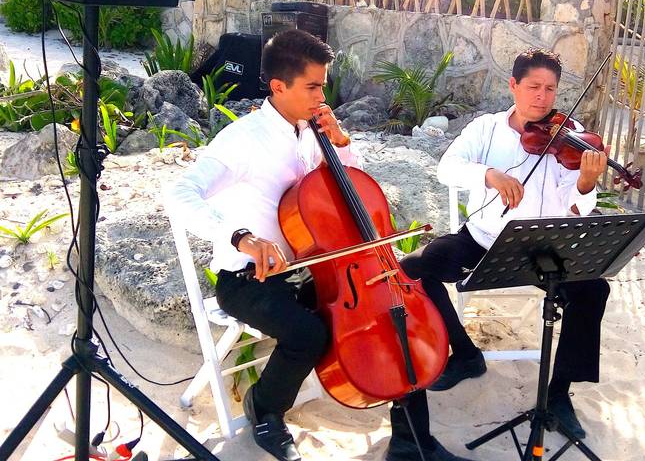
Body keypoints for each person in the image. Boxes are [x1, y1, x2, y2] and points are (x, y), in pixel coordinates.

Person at [167, 30, 469, 461]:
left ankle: (410, 442)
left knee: (391, 310)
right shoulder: (242, 141)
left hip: (316, 268)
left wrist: (342, 145)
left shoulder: (314, 130)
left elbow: (353, 190)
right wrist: (241, 237)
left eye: (323, 85)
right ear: (278, 87)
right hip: (250, 279)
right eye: (312, 86)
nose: (321, 96)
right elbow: (179, 194)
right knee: (309, 333)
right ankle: (265, 409)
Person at [400, 48, 611, 440]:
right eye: (533, 87)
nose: (542, 98)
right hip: (483, 239)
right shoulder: (486, 128)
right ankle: (464, 354)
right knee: (412, 269)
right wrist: (490, 175)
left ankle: (559, 394)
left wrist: (585, 183)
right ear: (513, 85)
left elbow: (578, 202)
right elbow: (447, 166)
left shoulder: (571, 135)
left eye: (550, 89)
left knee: (594, 290)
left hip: (544, 247)